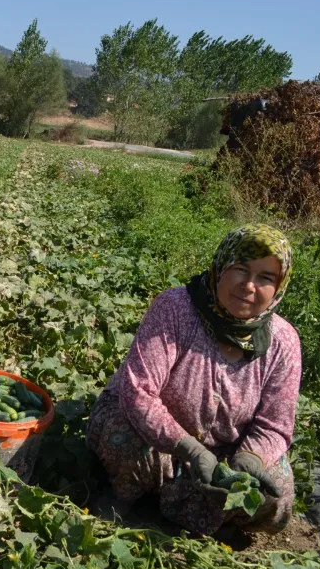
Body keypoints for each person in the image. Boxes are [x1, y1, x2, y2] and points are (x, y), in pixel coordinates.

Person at [87, 224, 300, 536]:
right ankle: (125, 495)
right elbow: (139, 393)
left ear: (278, 287)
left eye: (265, 277)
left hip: (228, 448)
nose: (249, 286)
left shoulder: (284, 341)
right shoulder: (174, 309)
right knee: (124, 442)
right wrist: (190, 449)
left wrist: (248, 459)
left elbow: (276, 424)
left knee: (278, 490)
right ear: (220, 267)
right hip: (154, 435)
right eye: (240, 269)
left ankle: (210, 515)